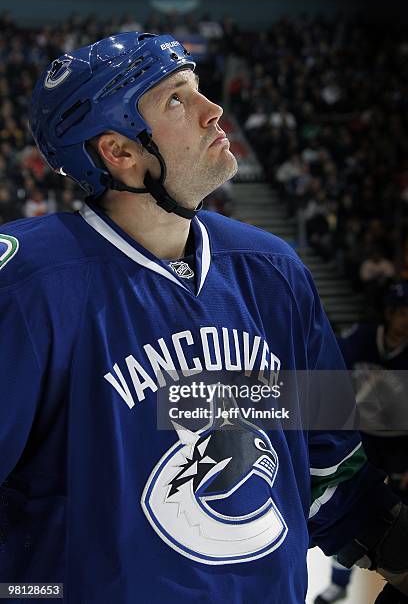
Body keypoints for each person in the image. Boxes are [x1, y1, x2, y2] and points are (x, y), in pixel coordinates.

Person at [0, 32, 407, 604]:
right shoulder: (28, 286)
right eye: (175, 99)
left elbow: (328, 468)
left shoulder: (274, 270)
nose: (212, 110)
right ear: (119, 151)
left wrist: (396, 548)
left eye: (197, 90)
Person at [315, 281, 408, 604]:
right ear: (388, 312)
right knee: (349, 515)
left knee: (392, 523)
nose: (404, 319)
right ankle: (339, 582)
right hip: (361, 439)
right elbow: (328, 367)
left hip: (399, 449)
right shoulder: (361, 338)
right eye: (399, 312)